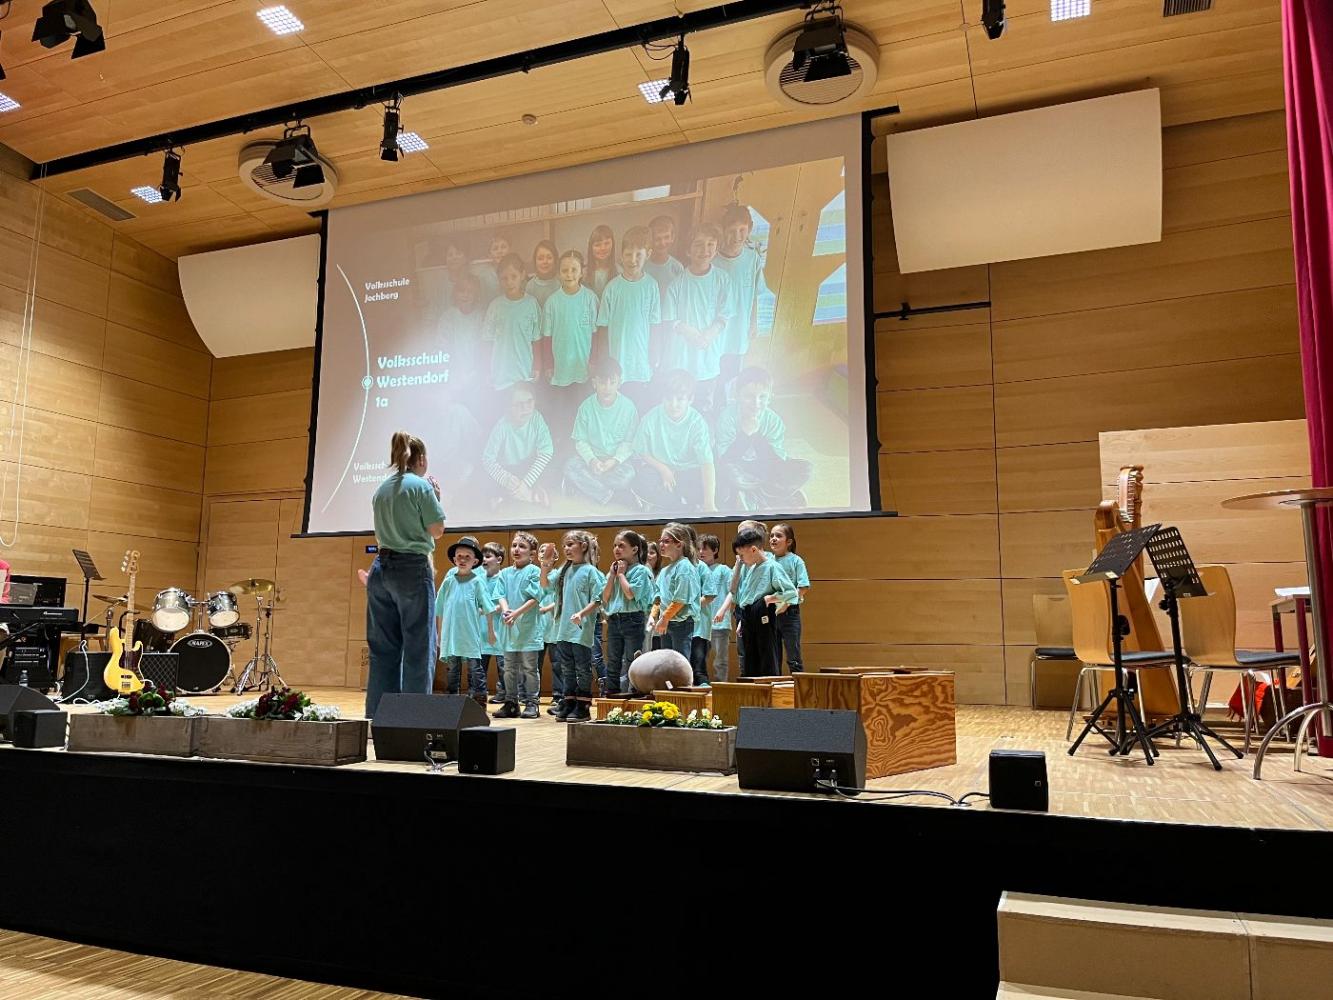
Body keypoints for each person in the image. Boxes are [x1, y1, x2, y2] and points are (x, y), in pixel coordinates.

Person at [365, 431, 445, 717]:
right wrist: (437, 498)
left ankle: (378, 718)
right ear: (421, 459)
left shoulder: (381, 489)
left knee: (382, 650)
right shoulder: (421, 486)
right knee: (419, 648)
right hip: (412, 568)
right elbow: (437, 530)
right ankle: (412, 719)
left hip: (380, 568)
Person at [714, 366, 812, 509]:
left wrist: (756, 435)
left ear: (770, 397)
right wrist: (746, 435)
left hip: (763, 467)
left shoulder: (774, 420)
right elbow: (725, 458)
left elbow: (776, 459)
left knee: (805, 468)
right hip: (738, 467)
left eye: (762, 397)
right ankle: (773, 495)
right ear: (737, 395)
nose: (756, 403)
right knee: (725, 472)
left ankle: (758, 494)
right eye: (749, 396)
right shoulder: (727, 418)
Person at [662, 223, 732, 414]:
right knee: (678, 405)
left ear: (716, 249)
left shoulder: (722, 280)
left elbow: (725, 314)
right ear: (688, 250)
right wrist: (688, 331)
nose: (704, 250)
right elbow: (670, 319)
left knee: (703, 407)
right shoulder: (677, 284)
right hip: (681, 358)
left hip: (708, 357)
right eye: (698, 245)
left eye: (710, 244)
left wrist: (709, 334)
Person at [632, 368, 716, 512]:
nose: (673, 404)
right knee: (642, 479)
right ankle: (680, 504)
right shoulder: (651, 418)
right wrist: (663, 469)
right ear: (662, 397)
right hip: (659, 468)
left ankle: (672, 503)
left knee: (711, 483)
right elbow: (641, 451)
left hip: (687, 470)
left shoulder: (697, 423)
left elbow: (706, 463)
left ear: (690, 399)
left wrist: (710, 504)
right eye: (669, 398)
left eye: (680, 399)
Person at [595, 225, 660, 406]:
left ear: (648, 254)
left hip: (640, 361)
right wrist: (603, 359)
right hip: (617, 361)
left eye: (638, 254)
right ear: (621, 256)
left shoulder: (651, 286)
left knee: (638, 404)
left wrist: (654, 352)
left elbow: (655, 324)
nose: (632, 260)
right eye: (628, 254)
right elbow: (603, 327)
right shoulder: (612, 288)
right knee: (618, 406)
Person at [713, 204, 770, 402]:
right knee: (714, 372)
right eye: (731, 230)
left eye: (742, 230)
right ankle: (713, 405)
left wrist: (754, 322)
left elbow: (754, 294)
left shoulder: (752, 259)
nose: (737, 236)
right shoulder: (713, 260)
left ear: (750, 229)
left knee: (731, 374)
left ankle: (726, 406)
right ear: (723, 230)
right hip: (716, 331)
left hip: (738, 331)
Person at [544, 530, 603, 722]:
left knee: (582, 668)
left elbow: (598, 599)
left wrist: (581, 614)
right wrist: (545, 563)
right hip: (563, 628)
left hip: (580, 629)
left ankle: (583, 705)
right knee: (566, 667)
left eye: (570, 544)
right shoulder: (564, 570)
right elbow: (545, 584)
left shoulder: (591, 571)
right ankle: (569, 701)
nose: (566, 549)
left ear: (583, 546)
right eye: (565, 546)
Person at [564, 356, 638, 506]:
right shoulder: (586, 407)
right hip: (592, 459)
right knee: (570, 467)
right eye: (602, 383)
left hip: (615, 461)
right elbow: (580, 441)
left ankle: (585, 486)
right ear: (594, 383)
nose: (607, 388)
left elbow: (629, 442)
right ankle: (610, 496)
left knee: (628, 475)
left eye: (612, 382)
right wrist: (592, 460)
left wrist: (614, 461)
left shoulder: (629, 408)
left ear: (619, 383)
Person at [434, 536, 497, 705]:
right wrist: (439, 634)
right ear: (454, 559)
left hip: (469, 633)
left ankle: (479, 699)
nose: (462, 560)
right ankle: (452, 700)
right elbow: (439, 608)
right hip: (451, 634)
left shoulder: (477, 582)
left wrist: (491, 632)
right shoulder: (448, 582)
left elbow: (488, 608)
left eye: (467, 557)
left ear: (475, 561)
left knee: (475, 667)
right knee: (452, 668)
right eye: (459, 556)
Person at [732, 525, 797, 677]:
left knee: (766, 654)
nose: (741, 559)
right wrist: (742, 620)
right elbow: (746, 596)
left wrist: (769, 599)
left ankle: (769, 687)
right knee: (750, 658)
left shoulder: (772, 567)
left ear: (753, 550)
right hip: (748, 615)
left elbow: (791, 593)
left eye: (742, 555)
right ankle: (753, 689)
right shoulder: (752, 568)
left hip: (763, 612)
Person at [543, 249, 599, 416]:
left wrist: (593, 360)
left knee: (583, 410)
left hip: (583, 366)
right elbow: (547, 337)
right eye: (565, 270)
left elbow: (596, 335)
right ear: (559, 273)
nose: (569, 274)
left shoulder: (590, 299)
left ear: (582, 272)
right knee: (562, 411)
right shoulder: (552, 302)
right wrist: (548, 364)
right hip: (561, 367)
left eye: (574, 270)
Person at [495, 531, 544, 719]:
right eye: (514, 545)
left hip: (528, 629)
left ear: (532, 553)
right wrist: (506, 610)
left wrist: (516, 613)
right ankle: (511, 702)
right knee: (509, 668)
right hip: (509, 628)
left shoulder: (534, 571)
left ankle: (532, 703)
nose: (516, 549)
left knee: (529, 668)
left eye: (522, 546)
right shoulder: (504, 573)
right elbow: (500, 595)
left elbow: (535, 597)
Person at [482, 385, 554, 508]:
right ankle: (530, 496)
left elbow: (546, 451)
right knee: (485, 481)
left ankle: (516, 495)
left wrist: (525, 484)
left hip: (528, 466)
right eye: (519, 404)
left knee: (551, 467)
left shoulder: (536, 418)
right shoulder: (502, 426)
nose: (525, 408)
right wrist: (506, 480)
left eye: (529, 402)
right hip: (508, 470)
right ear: (509, 407)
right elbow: (487, 460)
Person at [601, 529, 653, 696]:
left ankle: (635, 691)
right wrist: (612, 575)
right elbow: (605, 597)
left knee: (633, 658)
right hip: (614, 619)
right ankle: (612, 692)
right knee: (613, 658)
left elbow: (630, 594)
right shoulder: (614, 570)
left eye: (621, 546)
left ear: (635, 549)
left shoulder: (641, 571)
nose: (617, 549)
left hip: (633, 618)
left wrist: (622, 575)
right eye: (615, 545)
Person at [482, 252, 542, 393]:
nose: (509, 282)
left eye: (513, 277)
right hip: (500, 374)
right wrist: (486, 370)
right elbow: (487, 341)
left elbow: (536, 339)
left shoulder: (531, 304)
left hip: (524, 372)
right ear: (499, 280)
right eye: (504, 278)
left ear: (522, 275)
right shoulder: (495, 306)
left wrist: (537, 366)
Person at [649, 522, 700, 659]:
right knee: (667, 662)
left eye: (666, 541)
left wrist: (664, 618)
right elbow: (658, 597)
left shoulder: (684, 567)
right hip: (666, 621)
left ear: (679, 544)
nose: (661, 545)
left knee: (679, 662)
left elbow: (680, 599)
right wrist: (653, 616)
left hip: (681, 623)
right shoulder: (665, 570)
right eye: (660, 541)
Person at [769, 523, 809, 674]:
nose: (773, 539)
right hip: (771, 613)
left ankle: (799, 686)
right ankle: (775, 684)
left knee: (793, 656)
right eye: (771, 536)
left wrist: (786, 602)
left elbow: (803, 587)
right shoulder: (768, 561)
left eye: (778, 536)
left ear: (789, 542)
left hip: (790, 613)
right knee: (773, 656)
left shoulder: (796, 561)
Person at [698, 534, 732, 683]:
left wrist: (723, 611)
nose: (701, 552)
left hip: (720, 623)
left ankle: (721, 686)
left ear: (715, 550)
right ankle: (701, 685)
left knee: (720, 660)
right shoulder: (696, 570)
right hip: (700, 624)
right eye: (699, 549)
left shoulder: (723, 570)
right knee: (699, 659)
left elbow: (733, 592)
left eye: (705, 549)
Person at [479, 542, 507, 702]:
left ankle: (503, 692)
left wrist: (492, 608)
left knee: (503, 665)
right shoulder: (479, 579)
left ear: (499, 559)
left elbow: (506, 600)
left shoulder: (503, 578)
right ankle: (479, 692)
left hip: (499, 628)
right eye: (482, 556)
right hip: (482, 628)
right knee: (480, 665)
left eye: (488, 556)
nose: (484, 559)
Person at [584, 224, 617, 297]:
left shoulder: (620, 272)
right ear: (591, 248)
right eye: (597, 245)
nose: (603, 248)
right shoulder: (583, 274)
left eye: (607, 243)